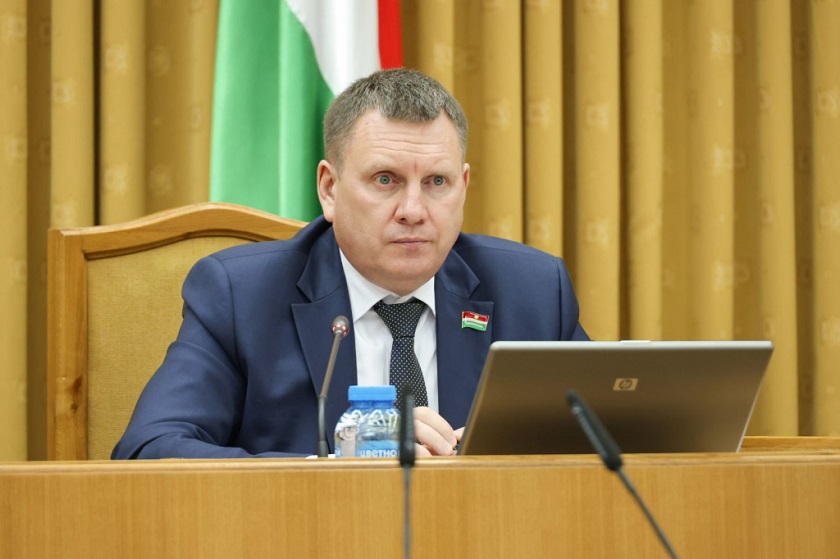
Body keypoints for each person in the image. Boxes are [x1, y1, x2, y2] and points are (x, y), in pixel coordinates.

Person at [112, 68, 588, 460]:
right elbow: (149, 450)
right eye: (385, 179)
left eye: (437, 182)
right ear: (329, 189)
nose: (413, 210)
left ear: (463, 186)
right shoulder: (241, 296)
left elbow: (608, 442)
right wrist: (342, 468)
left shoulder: (534, 291)